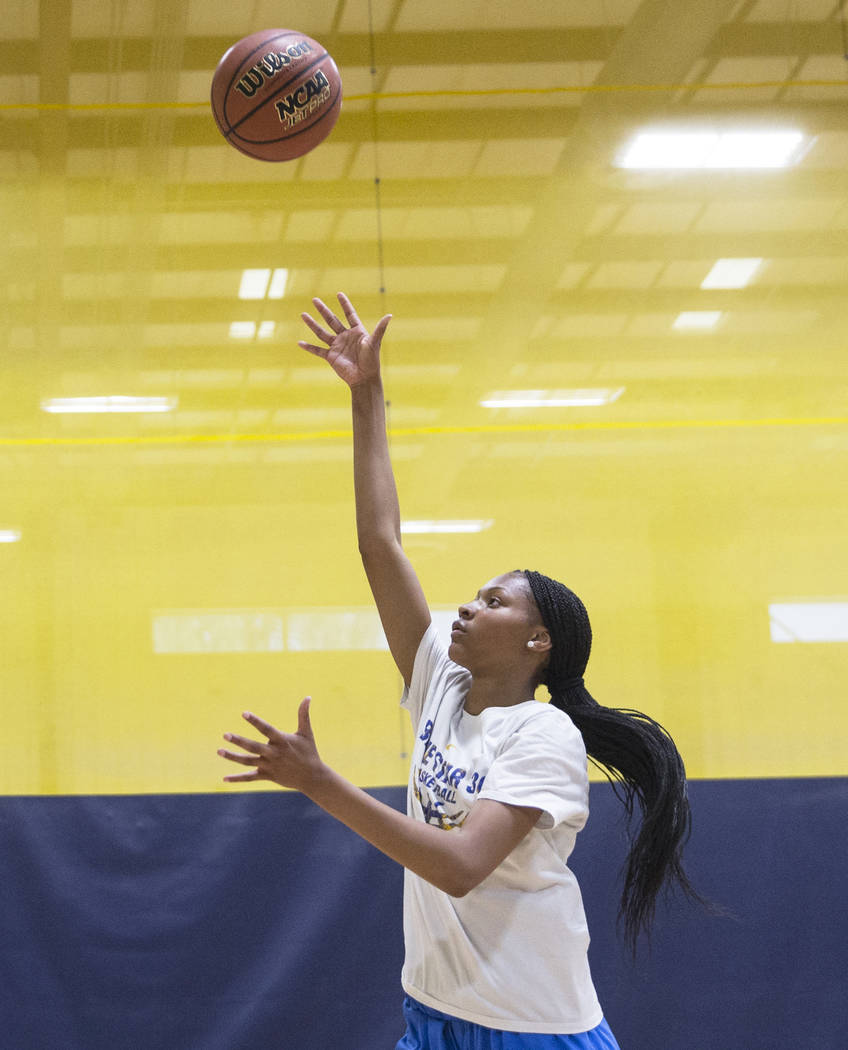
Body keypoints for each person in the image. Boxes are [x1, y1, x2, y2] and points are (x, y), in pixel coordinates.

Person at [218, 293, 700, 1049]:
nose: (467, 609)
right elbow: (381, 542)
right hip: (434, 1011)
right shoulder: (440, 682)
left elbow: (459, 866)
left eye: (493, 601)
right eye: (473, 597)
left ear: (538, 641)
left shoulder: (543, 736)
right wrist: (365, 394)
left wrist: (320, 782)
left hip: (531, 1028)